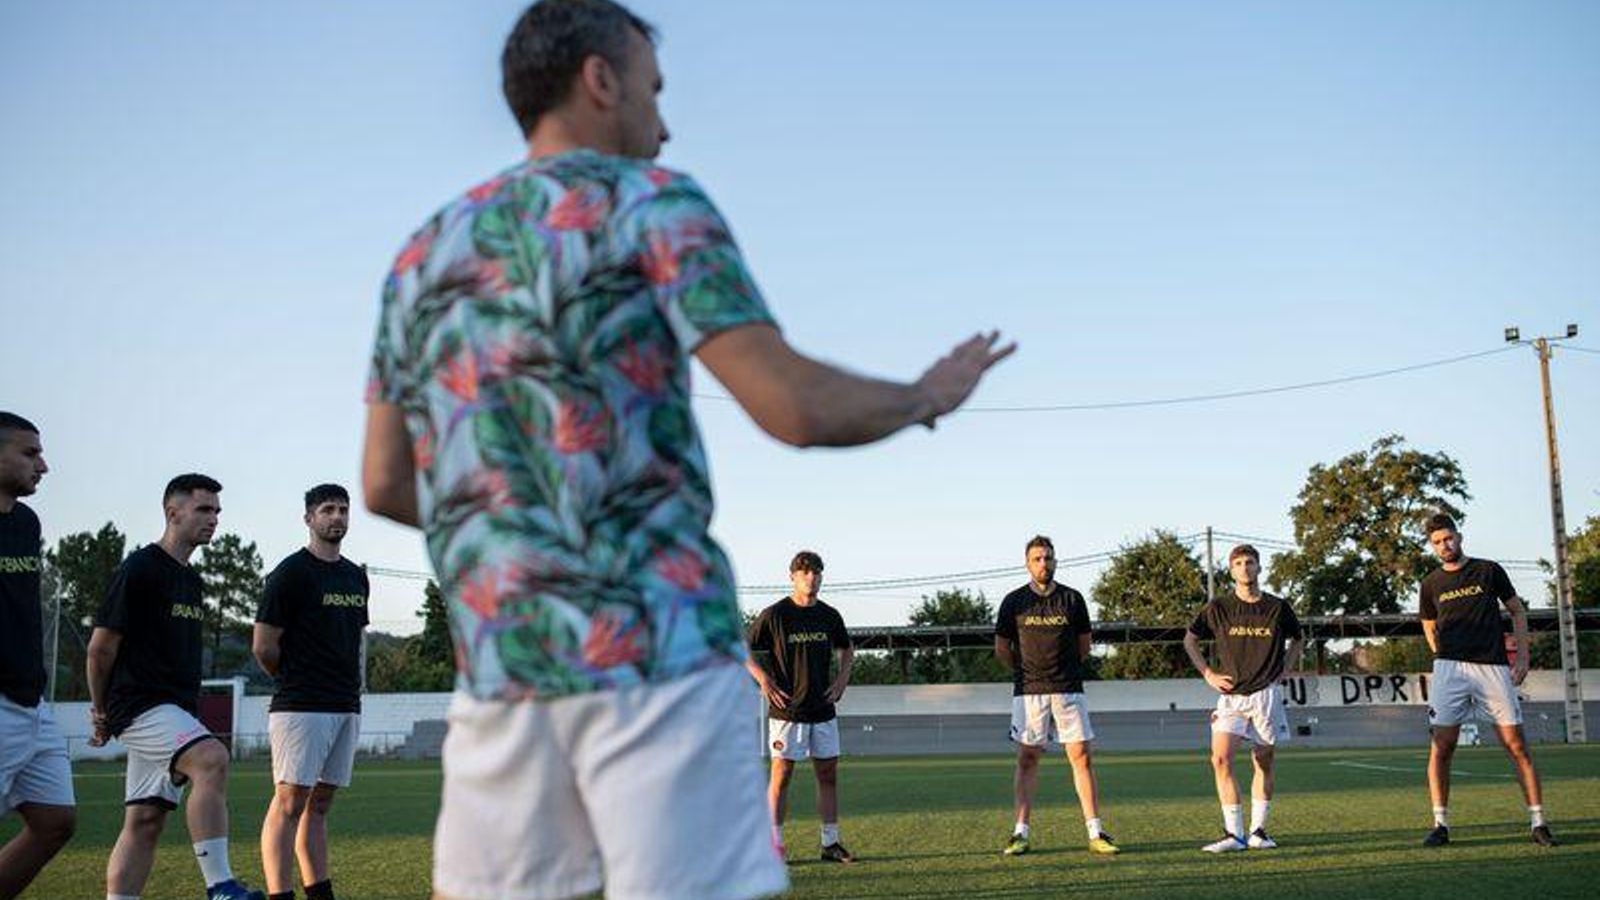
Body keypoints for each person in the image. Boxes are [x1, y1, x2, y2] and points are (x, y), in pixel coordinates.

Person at [360, 1, 1013, 895]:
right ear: (600, 78)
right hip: (654, 663)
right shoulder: (652, 201)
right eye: (654, 91)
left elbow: (387, 482)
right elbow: (791, 405)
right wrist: (926, 398)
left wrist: (528, 511)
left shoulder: (421, 254)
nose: (663, 126)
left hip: (502, 682)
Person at [86, 474, 266, 900]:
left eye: (217, 512)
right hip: (139, 705)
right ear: (173, 512)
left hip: (174, 710)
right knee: (212, 758)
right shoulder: (141, 568)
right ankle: (220, 886)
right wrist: (101, 711)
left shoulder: (192, 580)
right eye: (204, 510)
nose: (214, 519)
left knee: (145, 820)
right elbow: (99, 649)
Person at [254, 484, 370, 900]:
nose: (336, 517)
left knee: (319, 806)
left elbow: (352, 640)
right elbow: (263, 646)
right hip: (301, 704)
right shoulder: (289, 574)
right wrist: (296, 679)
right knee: (289, 804)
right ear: (309, 519)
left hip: (345, 703)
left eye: (342, 510)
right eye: (327, 510)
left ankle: (320, 894)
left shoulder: (356, 576)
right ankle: (279, 894)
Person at [1418, 512, 1555, 847]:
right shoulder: (1431, 583)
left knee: (1516, 745)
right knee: (1442, 747)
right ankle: (1440, 824)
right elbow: (1428, 622)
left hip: (1492, 668)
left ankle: (1538, 822)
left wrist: (1522, 657)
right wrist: (1441, 652)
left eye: (1448, 538)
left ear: (1459, 536)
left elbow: (1517, 611)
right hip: (1449, 670)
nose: (1444, 545)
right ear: (1432, 546)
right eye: (1437, 542)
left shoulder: (1488, 570)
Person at [994, 535, 1117, 857]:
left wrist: (1062, 670)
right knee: (1027, 760)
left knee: (1082, 758)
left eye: (1048, 557)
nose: (1043, 563)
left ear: (1055, 561)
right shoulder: (1013, 602)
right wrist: (1025, 672)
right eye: (1037, 558)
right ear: (1027, 563)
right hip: (1029, 693)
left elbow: (1084, 645)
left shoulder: (1073, 599)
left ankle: (1096, 832)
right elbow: (1002, 649)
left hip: (1068, 689)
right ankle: (1020, 833)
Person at [1182, 544, 1303, 852]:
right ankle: (1233, 835)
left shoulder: (1278, 607)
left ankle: (1258, 832)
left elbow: (1298, 640)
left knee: (1263, 761)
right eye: (1238, 563)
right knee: (1220, 758)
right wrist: (1208, 673)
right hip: (1231, 697)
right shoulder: (1219, 607)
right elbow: (1190, 639)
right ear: (1231, 570)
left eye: (1250, 562)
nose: (1245, 568)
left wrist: (1284, 671)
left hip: (1266, 694)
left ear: (1259, 568)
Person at [0, 413, 75, 899]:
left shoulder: (26, 522)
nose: (43, 465)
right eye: (30, 453)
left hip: (31, 699)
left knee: (54, 821)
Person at [745, 551, 855, 863]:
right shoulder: (776, 615)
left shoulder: (829, 615)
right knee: (781, 775)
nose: (812, 577)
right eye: (805, 572)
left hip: (823, 709)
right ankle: (773, 846)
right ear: (792, 576)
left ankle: (830, 843)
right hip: (787, 711)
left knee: (828, 776)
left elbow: (847, 649)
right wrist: (763, 679)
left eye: (817, 572)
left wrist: (842, 679)